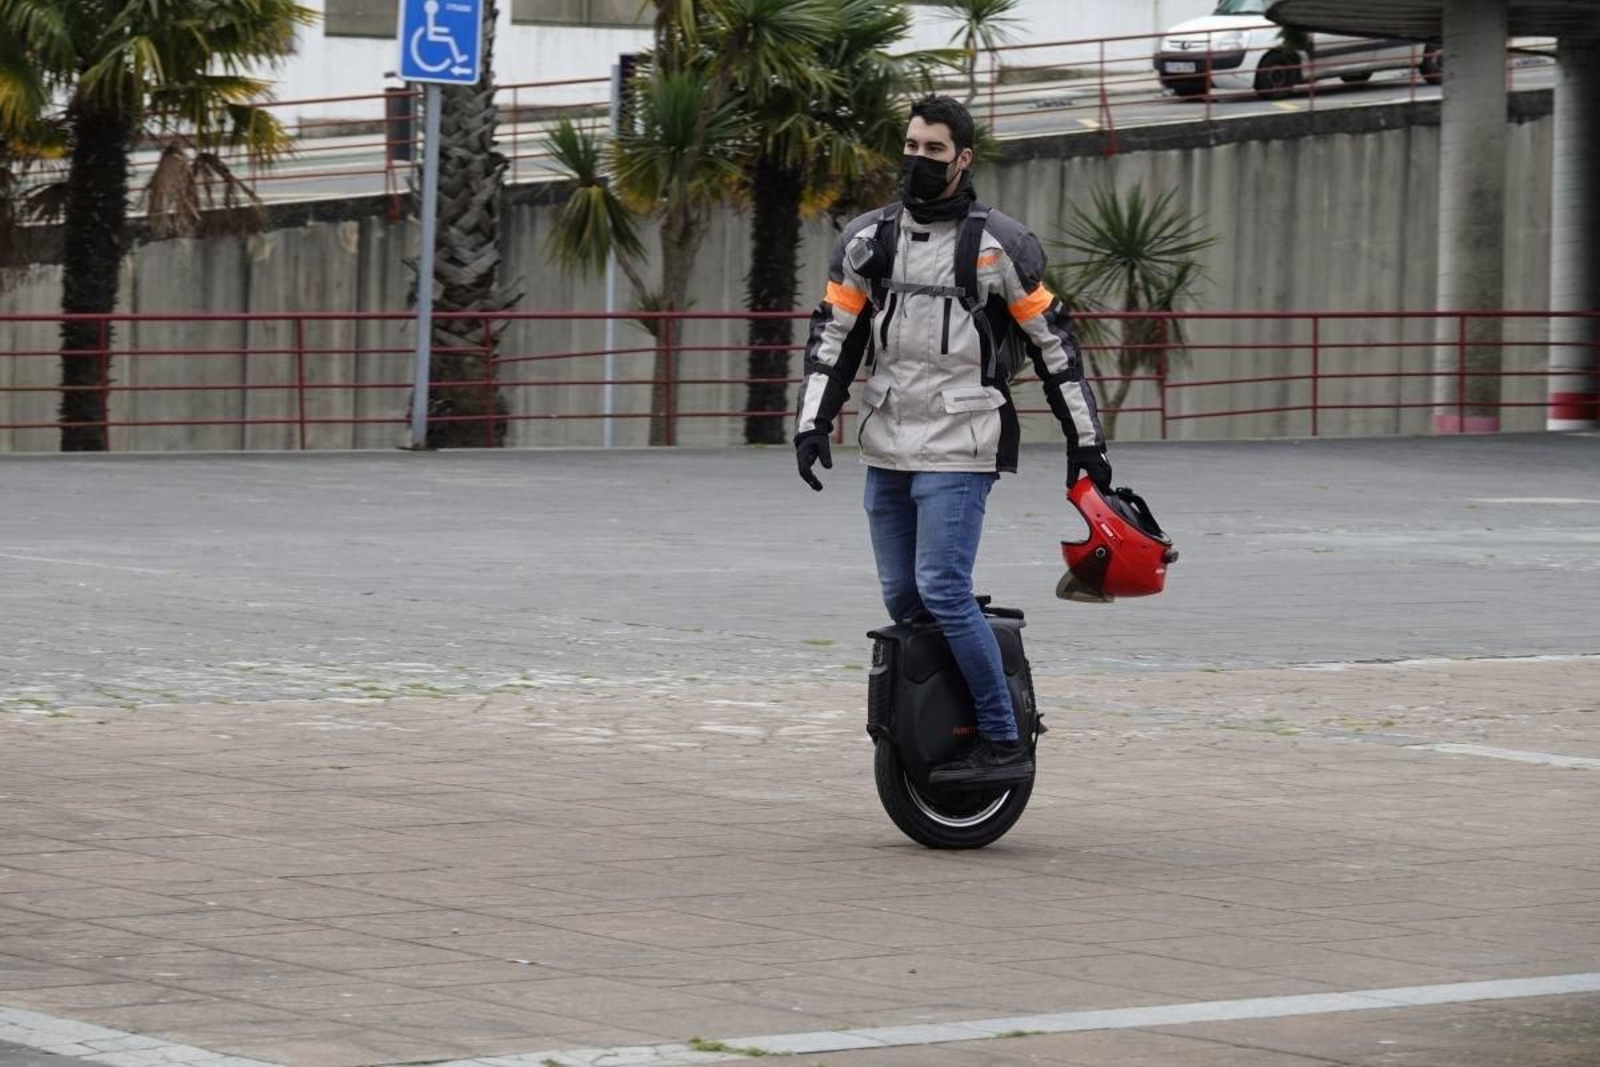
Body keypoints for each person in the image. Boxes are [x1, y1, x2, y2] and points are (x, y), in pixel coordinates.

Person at [792, 94, 1110, 786]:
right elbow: (835, 338)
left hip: (963, 442)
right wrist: (812, 421)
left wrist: (1086, 444)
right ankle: (942, 718)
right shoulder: (867, 240)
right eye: (910, 146)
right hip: (888, 442)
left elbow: (1055, 347)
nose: (917, 160)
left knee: (942, 585)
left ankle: (1002, 736)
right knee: (904, 597)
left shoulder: (1000, 246)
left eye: (933, 150)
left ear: (962, 159)